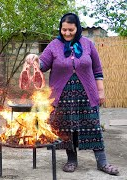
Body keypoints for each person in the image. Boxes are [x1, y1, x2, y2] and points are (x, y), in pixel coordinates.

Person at [25, 13, 119, 175]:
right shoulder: (54, 45)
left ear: (78, 28)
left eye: (71, 30)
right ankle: (71, 159)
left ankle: (102, 162)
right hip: (62, 96)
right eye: (64, 30)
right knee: (66, 129)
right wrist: (33, 59)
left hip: (86, 94)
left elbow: (97, 70)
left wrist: (100, 92)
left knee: (93, 127)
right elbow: (43, 64)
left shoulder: (88, 44)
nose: (67, 33)